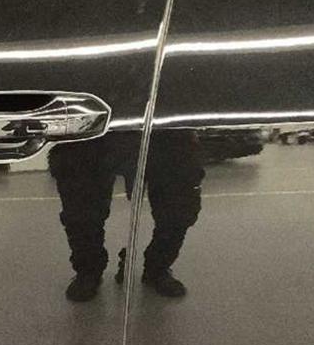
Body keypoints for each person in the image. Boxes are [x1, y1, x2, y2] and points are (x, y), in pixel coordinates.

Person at [48, 129, 204, 301]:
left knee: (179, 208)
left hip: (164, 130)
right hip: (92, 129)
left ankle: (158, 267)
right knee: (80, 210)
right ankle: (88, 270)